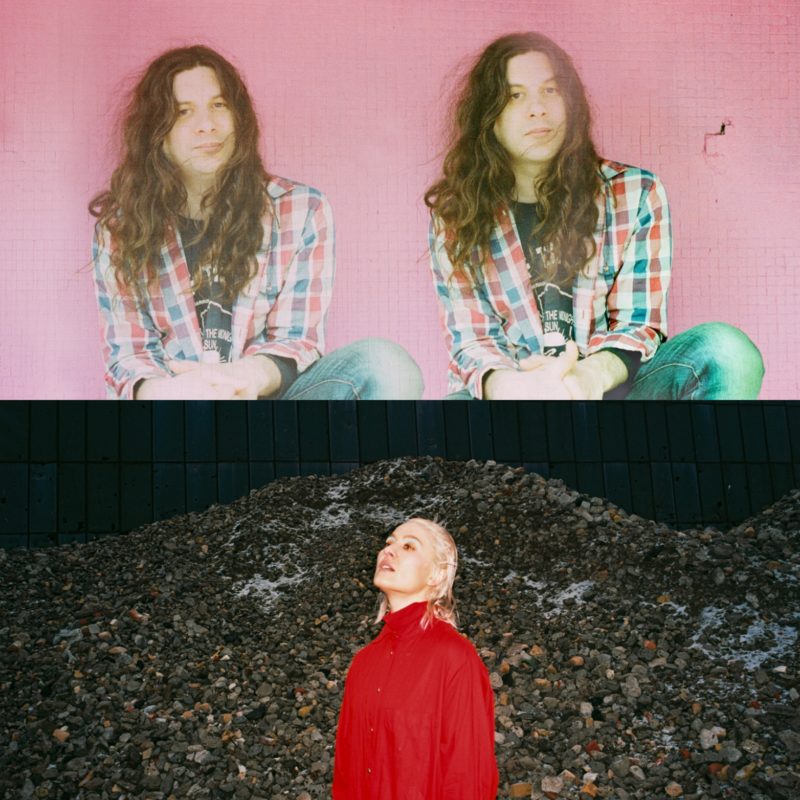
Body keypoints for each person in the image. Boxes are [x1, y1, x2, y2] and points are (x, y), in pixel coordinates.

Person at [425, 32, 765, 400]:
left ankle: (692, 459)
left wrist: (584, 380)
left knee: (726, 350)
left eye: (551, 91)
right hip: (511, 399)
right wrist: (524, 389)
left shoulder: (635, 193)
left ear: (571, 104)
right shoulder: (456, 212)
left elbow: (638, 324)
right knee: (448, 419)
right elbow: (472, 341)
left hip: (612, 396)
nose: (537, 108)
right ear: (488, 119)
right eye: (515, 95)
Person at [90, 45, 422, 400]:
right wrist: (177, 393)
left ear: (239, 117)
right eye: (183, 112)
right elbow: (130, 355)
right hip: (175, 416)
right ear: (155, 133)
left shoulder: (301, 210)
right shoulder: (121, 229)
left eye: (219, 106)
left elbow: (297, 340)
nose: (207, 126)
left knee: (387, 364)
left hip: (271, 413)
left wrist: (247, 377)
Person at [332, 518, 498, 799]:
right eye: (388, 543)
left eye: (409, 546)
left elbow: (468, 779)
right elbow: (345, 775)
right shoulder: (363, 662)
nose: (389, 550)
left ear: (435, 575)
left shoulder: (454, 658)